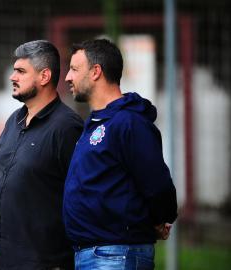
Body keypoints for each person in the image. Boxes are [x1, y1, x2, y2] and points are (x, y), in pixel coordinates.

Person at [63, 38, 178, 270]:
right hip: (92, 255)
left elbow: (157, 184)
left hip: (116, 255)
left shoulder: (129, 122)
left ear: (96, 72)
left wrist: (159, 218)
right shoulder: (94, 123)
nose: (67, 77)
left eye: (74, 69)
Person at [0, 40, 83, 270]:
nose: (13, 77)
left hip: (44, 263)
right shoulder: (14, 120)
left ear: (44, 77)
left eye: (21, 71)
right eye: (14, 70)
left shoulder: (67, 127)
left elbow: (83, 196)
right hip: (2, 258)